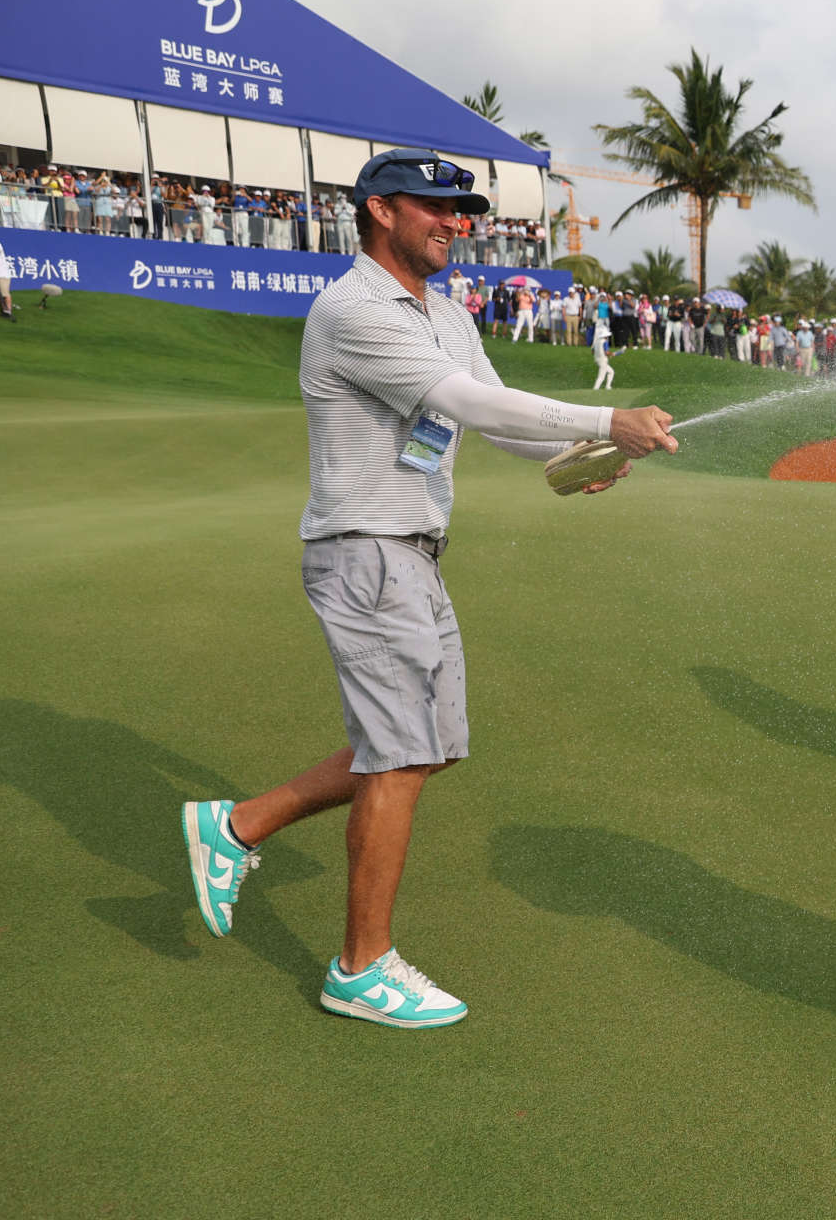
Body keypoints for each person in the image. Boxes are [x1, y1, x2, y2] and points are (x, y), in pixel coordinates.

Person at [178, 149, 679, 1028]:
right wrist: (607, 417)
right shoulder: (351, 311)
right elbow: (476, 406)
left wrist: (579, 457)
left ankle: (239, 826)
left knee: (431, 744)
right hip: (364, 552)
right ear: (380, 210)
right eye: (437, 207)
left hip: (414, 554)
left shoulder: (446, 316)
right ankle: (359, 969)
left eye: (464, 210)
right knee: (402, 753)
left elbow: (492, 418)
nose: (457, 223)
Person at [591, 313, 614, 388]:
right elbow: (606, 352)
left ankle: (608, 386)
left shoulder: (597, 341)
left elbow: (592, 351)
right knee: (601, 377)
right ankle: (595, 389)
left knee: (611, 372)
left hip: (597, 359)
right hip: (603, 360)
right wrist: (611, 354)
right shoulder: (605, 342)